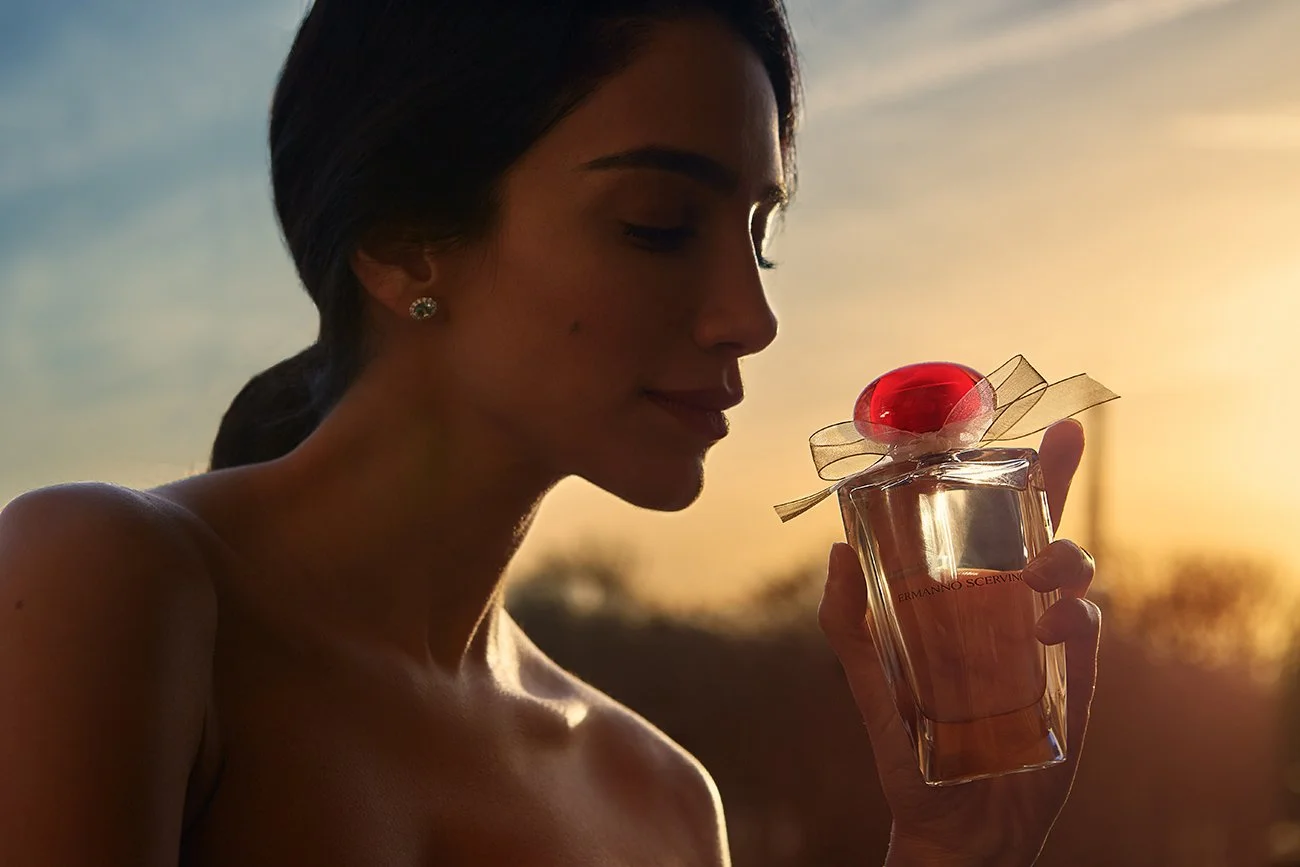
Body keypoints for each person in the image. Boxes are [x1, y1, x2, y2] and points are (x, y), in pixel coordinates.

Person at [0, 1, 1101, 864]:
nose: (752, 319)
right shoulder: (111, 589)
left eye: (758, 236)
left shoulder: (659, 800)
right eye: (657, 225)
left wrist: (952, 854)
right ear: (404, 246)